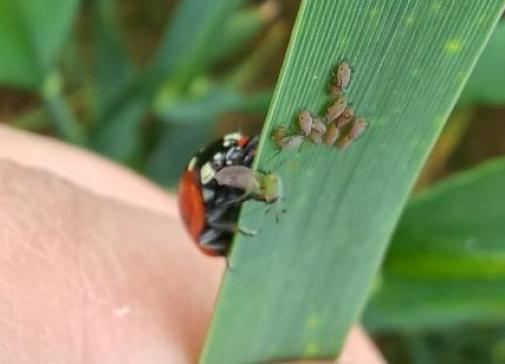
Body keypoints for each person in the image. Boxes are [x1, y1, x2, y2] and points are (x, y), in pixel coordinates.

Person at [0, 126, 385, 364]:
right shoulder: (209, 188)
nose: (246, 156)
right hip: (201, 225)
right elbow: (214, 210)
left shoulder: (219, 166)